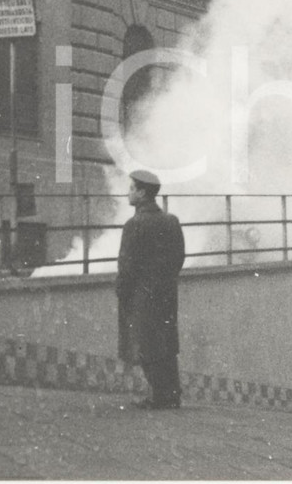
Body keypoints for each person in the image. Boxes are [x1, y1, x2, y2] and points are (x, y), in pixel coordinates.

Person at [117, 170, 185, 410]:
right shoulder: (171, 221)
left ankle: (158, 396)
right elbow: (179, 258)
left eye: (132, 188)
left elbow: (126, 266)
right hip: (166, 291)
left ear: (142, 193)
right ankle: (172, 395)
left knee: (146, 344)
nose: (128, 192)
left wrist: (122, 293)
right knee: (166, 344)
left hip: (142, 293)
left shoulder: (134, 224)